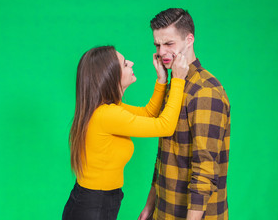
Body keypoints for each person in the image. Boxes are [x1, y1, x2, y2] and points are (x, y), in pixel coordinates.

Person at [62, 45, 189, 220]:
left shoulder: (107, 109)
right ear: (110, 75)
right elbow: (165, 126)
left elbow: (148, 114)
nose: (131, 62)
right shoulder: (107, 114)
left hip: (95, 202)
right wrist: (178, 80)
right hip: (93, 207)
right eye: (124, 63)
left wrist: (162, 80)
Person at [138, 8, 231, 220]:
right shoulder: (175, 85)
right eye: (157, 45)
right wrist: (149, 207)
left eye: (169, 44)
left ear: (189, 40)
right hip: (164, 211)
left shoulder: (206, 91)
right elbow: (164, 155)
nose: (161, 52)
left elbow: (205, 169)